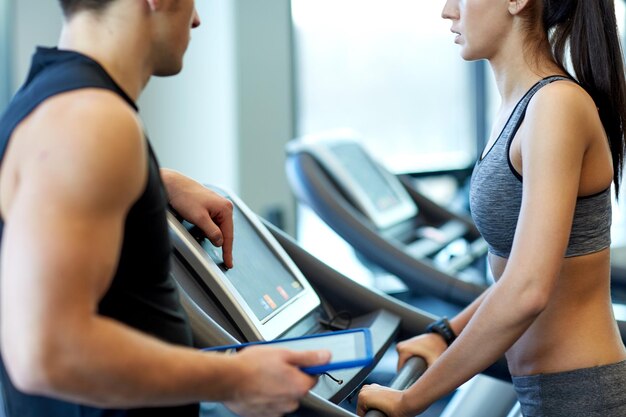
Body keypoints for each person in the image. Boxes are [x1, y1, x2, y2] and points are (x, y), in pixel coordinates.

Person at [0, 1, 330, 416]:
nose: (196, 19)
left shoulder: (55, 99)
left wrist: (153, 181)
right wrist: (237, 377)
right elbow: (47, 353)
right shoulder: (92, 122)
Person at [357, 0, 626, 416]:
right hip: (544, 393)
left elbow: (527, 291)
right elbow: (514, 274)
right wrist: (445, 332)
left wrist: (412, 398)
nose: (448, 11)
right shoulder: (519, 108)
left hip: (582, 397)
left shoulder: (555, 107)